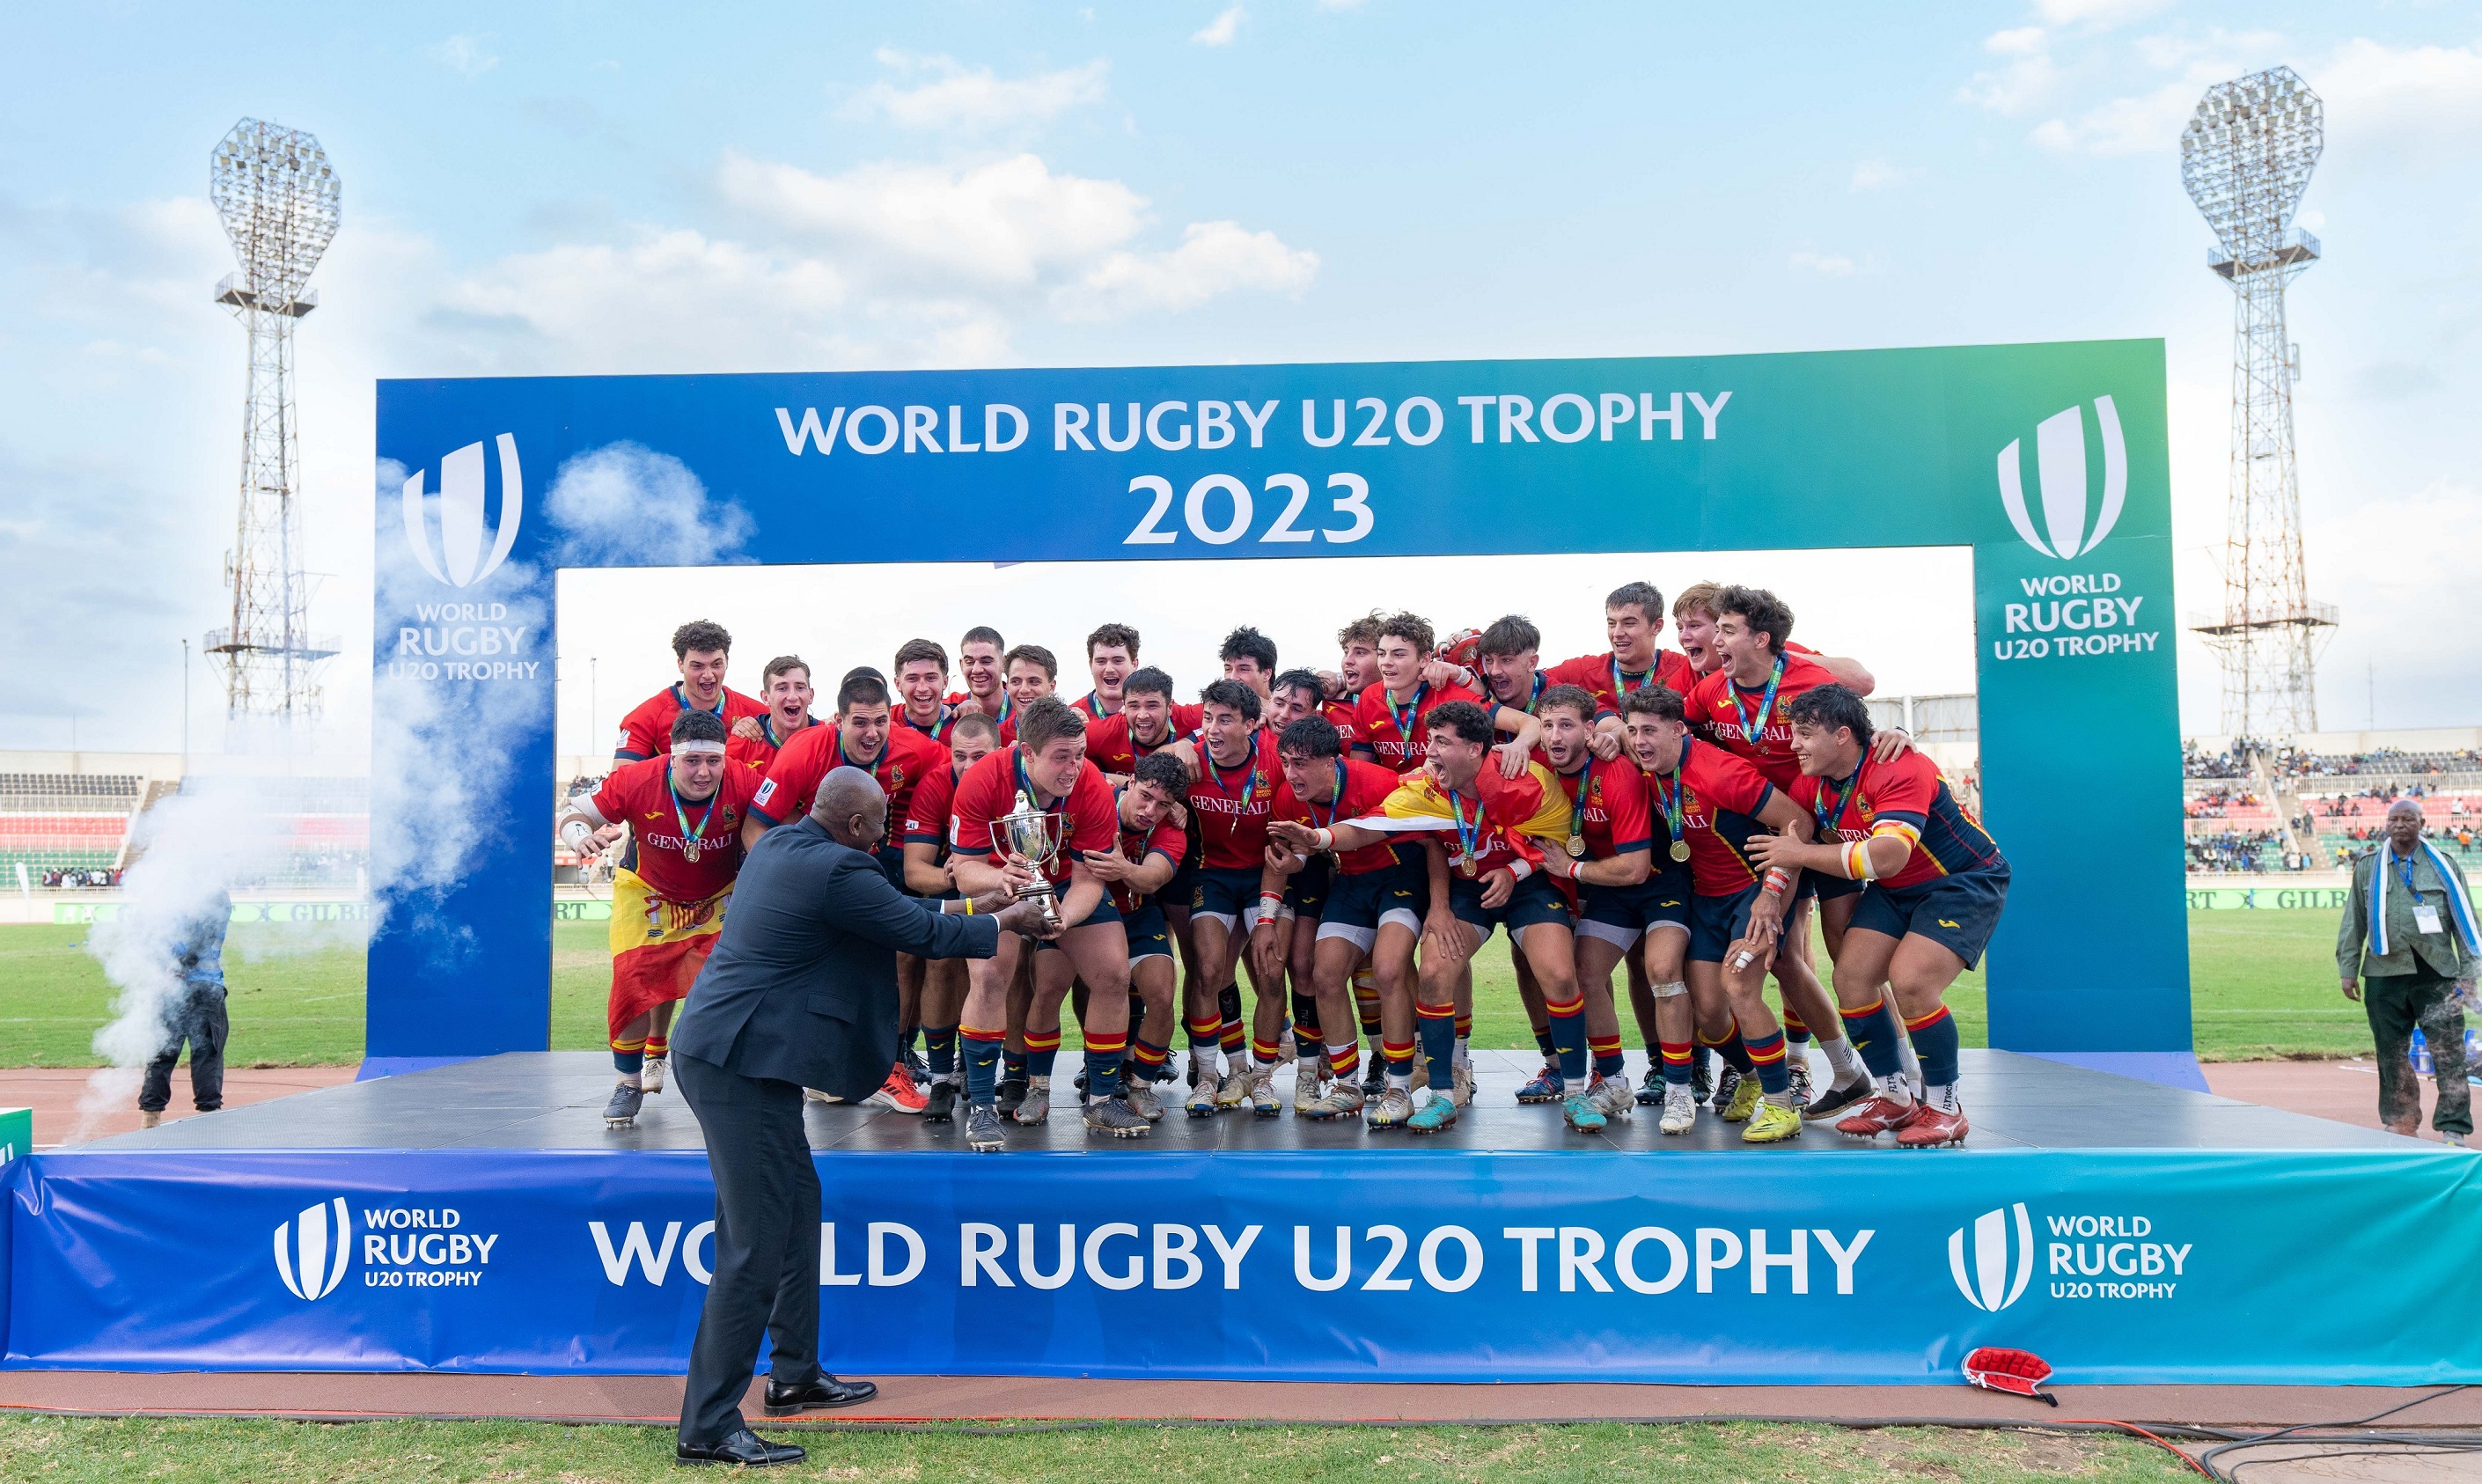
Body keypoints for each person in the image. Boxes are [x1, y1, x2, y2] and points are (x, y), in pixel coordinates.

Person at [667, 765, 1046, 1467]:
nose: (886, 837)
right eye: (879, 827)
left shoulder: (783, 845)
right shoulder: (842, 871)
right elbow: (918, 932)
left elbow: (899, 912)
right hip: (737, 1063)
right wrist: (1007, 919)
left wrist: (985, 903)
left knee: (796, 1207)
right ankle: (709, 1424)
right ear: (851, 827)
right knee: (752, 1244)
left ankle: (794, 1374)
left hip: (742, 1055)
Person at [1751, 684, 2007, 1148]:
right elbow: (1789, 846)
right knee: (1851, 980)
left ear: (1843, 735)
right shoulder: (1810, 784)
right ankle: (1894, 1096)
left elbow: (1886, 857)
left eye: (1805, 734)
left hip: (1962, 881)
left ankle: (1947, 1108)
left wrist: (1804, 853)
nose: (1794, 744)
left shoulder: (1900, 765)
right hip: (1897, 888)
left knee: (1911, 982)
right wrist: (1771, 895)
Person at [948, 694, 1149, 1148]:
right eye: (1061, 757)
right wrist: (1003, 879)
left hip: (1064, 886)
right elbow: (964, 868)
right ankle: (981, 1107)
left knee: (1114, 974)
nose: (1074, 767)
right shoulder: (983, 778)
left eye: (1079, 754)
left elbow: (1088, 876)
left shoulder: (1091, 781)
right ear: (1027, 751)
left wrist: (1064, 918)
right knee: (991, 975)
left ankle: (1101, 1100)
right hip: (998, 883)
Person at [557, 710, 760, 1125]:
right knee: (633, 979)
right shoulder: (636, 779)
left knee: (740, 983)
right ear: (671, 757)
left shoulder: (747, 779)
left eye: (713, 761)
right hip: (649, 891)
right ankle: (627, 1085)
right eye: (692, 761)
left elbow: (788, 820)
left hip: (718, 895)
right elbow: (570, 815)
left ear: (725, 757)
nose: (704, 772)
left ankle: (733, 1078)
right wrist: (583, 837)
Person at [2337, 798, 2478, 1146]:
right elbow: (2353, 921)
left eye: (2407, 819)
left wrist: (2470, 973)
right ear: (2386, 824)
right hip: (2384, 973)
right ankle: (2400, 1121)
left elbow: (2466, 922)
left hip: (2438, 973)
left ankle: (2454, 1126)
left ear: (2421, 823)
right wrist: (2348, 968)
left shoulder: (2444, 865)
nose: (2399, 825)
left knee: (2448, 1053)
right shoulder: (2369, 867)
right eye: (2393, 819)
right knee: (2391, 1052)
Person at [901, 710, 1002, 1121]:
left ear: (1001, 753)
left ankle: (1014, 1077)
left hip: (1003, 889)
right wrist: (955, 876)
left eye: (979, 756)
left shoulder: (1015, 780)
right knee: (940, 963)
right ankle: (941, 1079)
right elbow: (915, 871)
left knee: (1007, 969)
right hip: (958, 893)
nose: (968, 766)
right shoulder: (936, 783)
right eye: (960, 756)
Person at [137, 889, 232, 1130]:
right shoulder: (212, 892)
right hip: (204, 985)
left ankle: (151, 1121)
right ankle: (207, 1121)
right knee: (204, 1054)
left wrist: (176, 966)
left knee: (164, 1052)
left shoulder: (181, 887)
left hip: (180, 984)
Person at [614, 620, 767, 762]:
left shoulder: (757, 715)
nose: (708, 675)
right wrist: (680, 763)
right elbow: (621, 783)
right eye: (697, 666)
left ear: (727, 661)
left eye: (716, 664)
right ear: (681, 664)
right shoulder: (645, 718)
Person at [726, 655, 818, 772]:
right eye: (782, 688)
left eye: (800, 687)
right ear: (765, 697)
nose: (792, 696)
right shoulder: (743, 742)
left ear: (811, 695)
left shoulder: (831, 740)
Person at [1075, 622, 1142, 720]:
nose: (1109, 669)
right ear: (1090, 665)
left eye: (1118, 661)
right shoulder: (1070, 719)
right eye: (1101, 661)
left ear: (1134, 664)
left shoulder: (1158, 714)